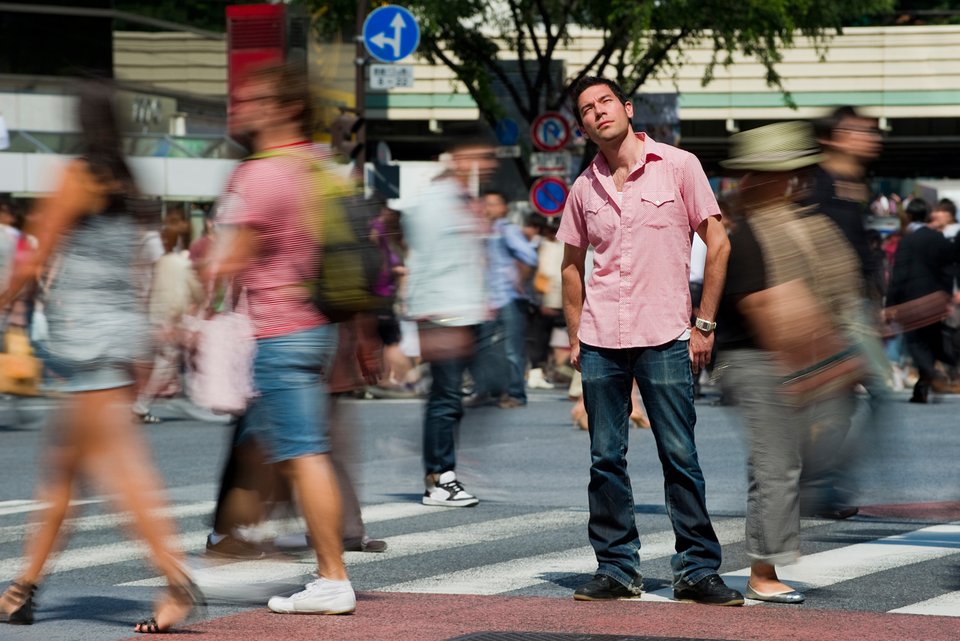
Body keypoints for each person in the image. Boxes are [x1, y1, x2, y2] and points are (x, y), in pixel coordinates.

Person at [0, 80, 200, 633]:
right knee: (62, 474)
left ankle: (175, 581)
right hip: (116, 339)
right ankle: (22, 590)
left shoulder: (76, 176)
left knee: (120, 471)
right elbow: (136, 271)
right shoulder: (130, 182)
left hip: (87, 347)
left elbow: (34, 256)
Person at [559, 76, 741, 605]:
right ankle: (616, 568)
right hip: (600, 340)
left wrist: (704, 322)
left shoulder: (680, 166)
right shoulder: (582, 188)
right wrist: (575, 334)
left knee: (679, 454)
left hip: (665, 333)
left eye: (605, 102)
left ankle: (697, 569)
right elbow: (571, 266)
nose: (597, 112)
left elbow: (719, 241)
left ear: (627, 108)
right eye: (587, 109)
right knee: (604, 459)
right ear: (584, 125)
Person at [212, 61, 355, 614]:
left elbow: (229, 260)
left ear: (284, 107)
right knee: (266, 449)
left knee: (303, 454)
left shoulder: (259, 174)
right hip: (316, 326)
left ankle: (331, 578)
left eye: (256, 98)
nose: (244, 107)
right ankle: (230, 543)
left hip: (278, 329)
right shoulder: (316, 165)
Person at [717, 121, 864, 604]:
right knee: (775, 466)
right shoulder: (746, 235)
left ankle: (765, 560)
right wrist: (804, 370)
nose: (798, 182)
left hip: (784, 357)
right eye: (789, 173)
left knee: (787, 464)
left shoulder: (792, 225)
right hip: (755, 360)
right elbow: (763, 308)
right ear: (765, 177)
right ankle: (762, 573)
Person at [402, 136, 493, 507]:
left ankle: (442, 463)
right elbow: (421, 261)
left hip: (468, 313)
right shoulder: (434, 202)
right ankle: (439, 477)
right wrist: (422, 319)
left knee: (482, 389)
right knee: (446, 397)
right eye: (477, 154)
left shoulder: (463, 201)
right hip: (442, 315)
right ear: (457, 157)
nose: (485, 163)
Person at [886, 198, 960, 403]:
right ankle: (922, 385)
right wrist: (946, 297)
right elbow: (949, 271)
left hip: (912, 299)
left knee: (915, 342)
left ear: (908, 216)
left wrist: (890, 305)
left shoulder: (907, 241)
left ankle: (929, 373)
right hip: (935, 299)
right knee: (930, 340)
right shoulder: (940, 240)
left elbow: (898, 274)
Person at [472, 190, 538, 408]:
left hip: (509, 298)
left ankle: (516, 394)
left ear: (503, 209)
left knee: (511, 349)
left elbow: (529, 256)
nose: (487, 208)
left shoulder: (507, 230)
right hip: (487, 300)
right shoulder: (483, 233)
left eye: (493, 204)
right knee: (481, 347)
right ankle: (484, 391)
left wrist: (519, 279)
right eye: (485, 203)